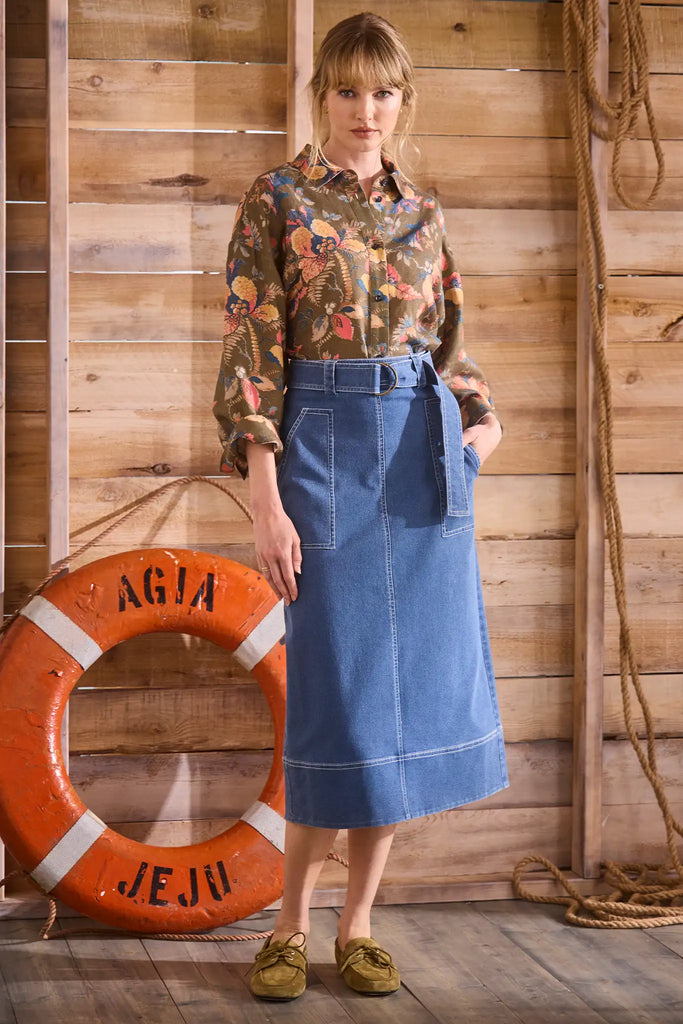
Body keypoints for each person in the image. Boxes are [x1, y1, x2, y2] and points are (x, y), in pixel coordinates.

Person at [212, 11, 509, 1002]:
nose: (364, 110)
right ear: (321, 97)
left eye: (381, 92)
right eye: (346, 90)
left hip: (421, 464)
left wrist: (480, 427)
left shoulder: (422, 215)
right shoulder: (278, 200)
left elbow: (450, 348)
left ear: (401, 102)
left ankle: (360, 924)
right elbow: (253, 353)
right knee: (338, 699)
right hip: (322, 455)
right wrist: (265, 498)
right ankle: (288, 924)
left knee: (398, 701)